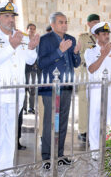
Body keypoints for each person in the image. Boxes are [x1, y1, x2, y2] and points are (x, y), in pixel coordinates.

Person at [0, 2, 39, 170]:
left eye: (12, 16)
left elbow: (30, 60)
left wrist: (32, 48)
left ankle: (7, 169)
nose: (11, 19)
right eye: (6, 16)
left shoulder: (23, 37)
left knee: (10, 133)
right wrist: (11, 46)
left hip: (16, 93)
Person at [38, 12, 81, 167]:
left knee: (63, 122)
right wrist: (59, 51)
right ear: (53, 24)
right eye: (61, 22)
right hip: (51, 88)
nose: (64, 25)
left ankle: (59, 155)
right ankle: (47, 157)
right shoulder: (45, 40)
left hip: (66, 86)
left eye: (66, 22)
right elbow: (41, 63)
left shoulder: (71, 39)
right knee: (51, 122)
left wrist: (76, 53)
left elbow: (75, 63)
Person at [84, 22, 111, 151]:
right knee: (95, 119)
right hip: (97, 89)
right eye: (103, 34)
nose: (106, 36)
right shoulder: (90, 50)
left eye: (107, 34)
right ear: (96, 35)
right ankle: (95, 149)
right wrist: (103, 54)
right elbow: (91, 69)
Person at [77, 14, 100, 143]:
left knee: (95, 101)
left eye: (98, 22)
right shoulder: (83, 38)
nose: (96, 24)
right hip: (86, 71)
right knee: (84, 101)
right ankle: (83, 130)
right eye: (94, 22)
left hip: (97, 73)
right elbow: (79, 55)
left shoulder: (101, 37)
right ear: (89, 24)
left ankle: (93, 127)